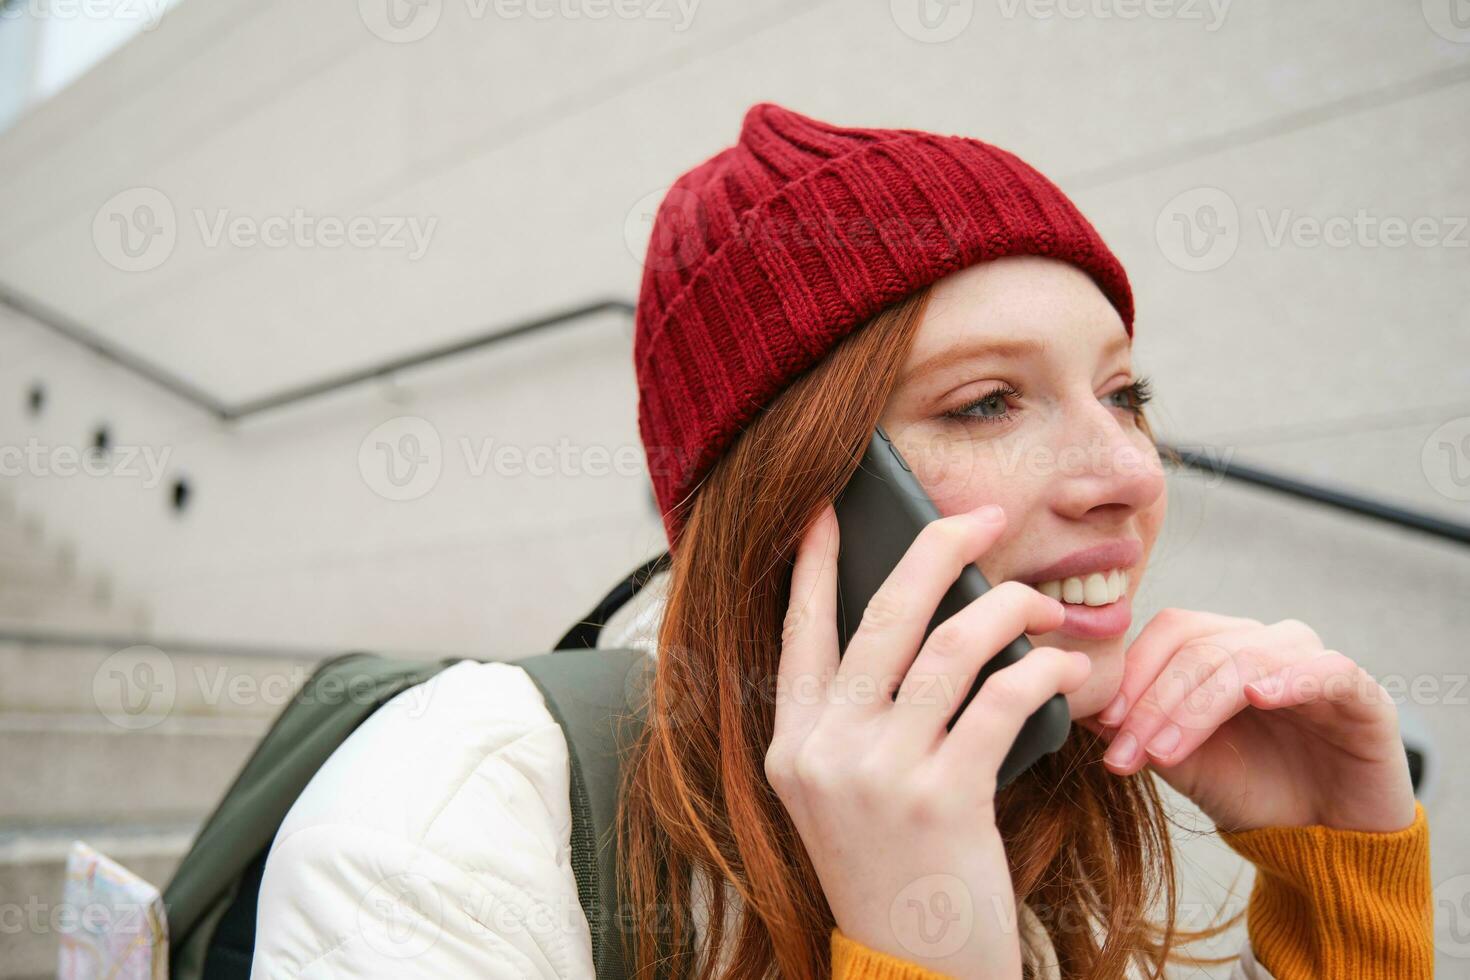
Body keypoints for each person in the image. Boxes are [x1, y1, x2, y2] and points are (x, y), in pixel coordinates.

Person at [251, 102, 1432, 978]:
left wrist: (1340, 884)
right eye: (986, 402)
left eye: (1123, 393)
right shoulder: (449, 825)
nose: (1132, 472)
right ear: (796, 491)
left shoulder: (1026, 774)